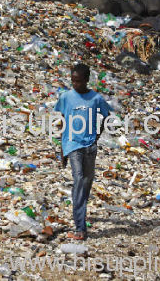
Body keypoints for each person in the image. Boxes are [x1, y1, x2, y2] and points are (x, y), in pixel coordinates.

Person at [54, 63, 112, 240]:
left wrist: (96, 136)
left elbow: (106, 117)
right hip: (72, 145)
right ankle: (80, 228)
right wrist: (62, 150)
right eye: (73, 81)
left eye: (79, 81)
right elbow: (62, 122)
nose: (75, 84)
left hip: (89, 146)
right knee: (78, 179)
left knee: (86, 183)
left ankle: (79, 211)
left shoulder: (96, 99)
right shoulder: (66, 98)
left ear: (86, 80)